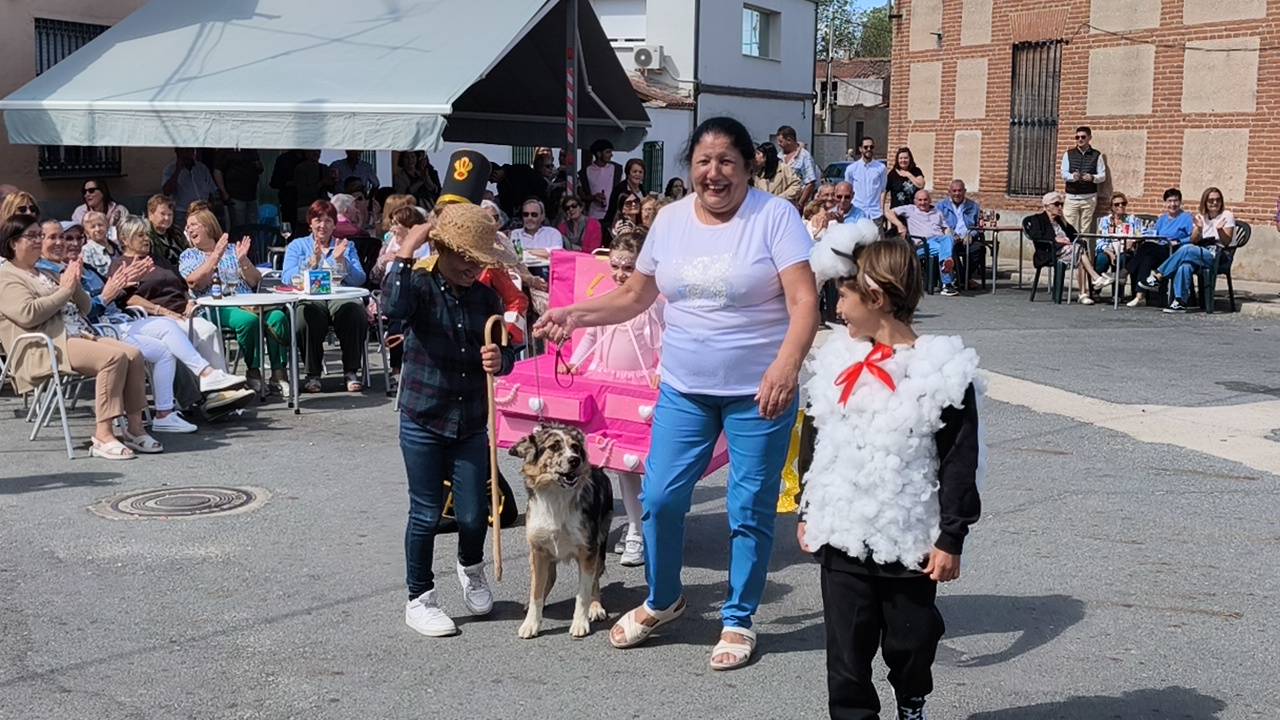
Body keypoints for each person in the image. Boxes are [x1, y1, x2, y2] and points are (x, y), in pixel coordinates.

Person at [534, 116, 819, 671]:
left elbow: (805, 303)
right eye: (703, 163)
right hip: (684, 389)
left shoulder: (775, 217)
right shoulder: (668, 221)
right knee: (661, 499)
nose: (714, 174)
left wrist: (786, 367)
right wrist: (574, 314)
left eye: (727, 162)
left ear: (749, 166)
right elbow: (635, 296)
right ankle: (663, 599)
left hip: (759, 390)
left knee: (749, 507)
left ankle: (738, 618)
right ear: (691, 167)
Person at [803, 223, 982, 720]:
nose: (836, 308)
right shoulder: (836, 358)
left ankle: (911, 697)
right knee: (845, 653)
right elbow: (815, 437)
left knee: (911, 640)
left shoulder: (938, 372)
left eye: (843, 295)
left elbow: (958, 459)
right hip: (843, 532)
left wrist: (951, 537)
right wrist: (808, 508)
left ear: (876, 296)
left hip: (909, 539)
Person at [382, 203, 517, 637]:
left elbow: (507, 351)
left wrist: (502, 358)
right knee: (424, 513)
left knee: (476, 513)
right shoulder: (419, 285)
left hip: (471, 419)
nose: (471, 267)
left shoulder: (485, 297)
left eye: (479, 260)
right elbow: (392, 307)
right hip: (423, 416)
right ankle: (419, 598)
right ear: (442, 249)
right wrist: (407, 248)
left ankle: (470, 568)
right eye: (465, 258)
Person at [0, 214, 162, 459]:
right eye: (32, 236)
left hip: (78, 335)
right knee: (113, 358)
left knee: (133, 354)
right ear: (13, 243)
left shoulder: (45, 271)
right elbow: (27, 315)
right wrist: (65, 290)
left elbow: (85, 309)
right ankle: (103, 435)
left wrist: (74, 282)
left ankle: (135, 428)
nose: (38, 241)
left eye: (38, 236)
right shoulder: (7, 277)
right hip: (46, 344)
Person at [37, 219, 203, 433]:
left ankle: (169, 410)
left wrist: (121, 287)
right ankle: (202, 387)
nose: (72, 243)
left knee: (170, 339)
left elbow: (113, 296)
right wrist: (108, 294)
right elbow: (84, 312)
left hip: (118, 321)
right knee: (167, 330)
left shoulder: (85, 268)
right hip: (96, 331)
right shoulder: (51, 273)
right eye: (64, 238)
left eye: (78, 238)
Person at [566, 227, 663, 567]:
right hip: (603, 382)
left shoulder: (655, 304)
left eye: (629, 268)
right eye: (617, 267)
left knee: (636, 464)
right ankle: (625, 527)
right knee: (612, 463)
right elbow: (591, 338)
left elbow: (668, 342)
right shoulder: (606, 298)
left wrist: (661, 369)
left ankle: (640, 529)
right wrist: (575, 363)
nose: (621, 274)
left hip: (639, 387)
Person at [179, 209, 290, 395]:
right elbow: (194, 283)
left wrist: (244, 260)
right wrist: (215, 256)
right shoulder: (189, 255)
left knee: (278, 316)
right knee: (248, 321)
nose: (189, 230)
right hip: (215, 307)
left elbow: (254, 281)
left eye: (194, 225)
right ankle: (253, 372)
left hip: (248, 301)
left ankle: (279, 374)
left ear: (209, 226)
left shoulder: (232, 249)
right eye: (187, 226)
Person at [282, 199, 369, 392]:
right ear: (310, 223)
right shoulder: (297, 246)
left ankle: (351, 371)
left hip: (339, 295)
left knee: (353, 311)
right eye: (318, 220)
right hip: (311, 297)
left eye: (328, 220)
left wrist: (341, 261)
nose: (323, 225)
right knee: (305, 314)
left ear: (334, 224)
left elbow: (359, 279)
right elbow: (287, 277)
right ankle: (312, 374)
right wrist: (312, 263)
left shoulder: (346, 245)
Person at [1139, 186, 1236, 314]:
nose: (1214, 203)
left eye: (1217, 200)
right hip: (1201, 251)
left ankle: (1158, 276)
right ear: (1205, 202)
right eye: (1211, 200)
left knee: (1186, 249)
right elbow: (1194, 240)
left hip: (1218, 254)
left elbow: (1226, 242)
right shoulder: (1202, 217)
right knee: (1184, 265)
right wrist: (1199, 229)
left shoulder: (1227, 215)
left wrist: (1219, 230)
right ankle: (1180, 302)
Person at [1026, 191, 1110, 305]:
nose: (1060, 207)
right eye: (1056, 204)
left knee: (1080, 253)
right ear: (1046, 206)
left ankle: (1084, 294)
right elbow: (1035, 235)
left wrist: (1065, 221)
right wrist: (1055, 239)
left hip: (1070, 250)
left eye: (1061, 204)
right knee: (1080, 251)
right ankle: (1093, 280)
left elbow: (1074, 234)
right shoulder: (1037, 219)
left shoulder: (1060, 220)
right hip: (1050, 252)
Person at [886, 189, 960, 297]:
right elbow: (887, 211)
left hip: (939, 239)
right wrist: (899, 225)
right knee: (943, 249)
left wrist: (950, 235)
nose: (922, 203)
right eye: (919, 200)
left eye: (925, 200)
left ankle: (946, 264)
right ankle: (947, 283)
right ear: (915, 201)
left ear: (929, 200)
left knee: (947, 239)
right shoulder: (910, 209)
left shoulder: (937, 212)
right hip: (923, 244)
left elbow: (946, 228)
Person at [1128, 188, 1194, 307]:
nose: (1172, 204)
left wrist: (1178, 241)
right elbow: (1155, 234)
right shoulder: (1162, 219)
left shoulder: (1186, 217)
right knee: (1147, 257)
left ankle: (1124, 272)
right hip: (1160, 249)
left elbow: (1193, 237)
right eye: (1169, 201)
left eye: (1176, 201)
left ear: (1180, 202)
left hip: (1174, 252)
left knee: (1147, 247)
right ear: (1165, 203)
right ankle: (1140, 296)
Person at [935, 180, 984, 288]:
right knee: (951, 249)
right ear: (949, 192)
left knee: (979, 249)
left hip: (967, 238)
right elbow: (937, 225)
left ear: (964, 191)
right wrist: (949, 233)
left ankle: (962, 278)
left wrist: (971, 234)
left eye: (960, 190)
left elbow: (978, 226)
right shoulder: (941, 206)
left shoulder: (973, 206)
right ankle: (964, 279)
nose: (957, 193)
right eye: (954, 191)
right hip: (950, 238)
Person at [1060, 126, 1106, 234]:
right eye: (1077, 137)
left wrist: (1092, 178)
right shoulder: (1068, 154)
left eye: (1083, 137)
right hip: (1072, 197)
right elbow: (1063, 173)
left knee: (1085, 229)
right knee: (1070, 228)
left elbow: (1103, 175)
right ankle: (1071, 250)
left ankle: (1083, 250)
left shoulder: (1096, 155)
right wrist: (1072, 177)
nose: (1080, 139)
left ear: (1089, 138)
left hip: (1089, 198)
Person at [1094, 191, 1141, 294]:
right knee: (1102, 259)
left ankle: (1118, 295)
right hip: (1108, 249)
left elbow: (1140, 234)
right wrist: (1110, 253)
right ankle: (1095, 290)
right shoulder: (1104, 221)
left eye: (1123, 203)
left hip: (1126, 250)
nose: (1120, 206)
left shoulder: (1133, 220)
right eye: (1117, 204)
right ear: (1111, 206)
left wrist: (1133, 241)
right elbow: (1100, 241)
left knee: (1122, 258)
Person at [162, 149, 218, 228]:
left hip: (203, 212)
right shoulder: (170, 169)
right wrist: (177, 171)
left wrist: (212, 208)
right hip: (182, 214)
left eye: (190, 151)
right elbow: (166, 192)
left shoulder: (201, 168)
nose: (187, 154)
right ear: (178, 152)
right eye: (184, 151)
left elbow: (212, 190)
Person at [844, 137, 888, 224]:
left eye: (871, 147)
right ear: (860, 149)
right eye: (866, 147)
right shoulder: (851, 169)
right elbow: (847, 191)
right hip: (857, 213)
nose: (869, 149)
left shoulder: (881, 168)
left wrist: (882, 211)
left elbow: (883, 190)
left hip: (875, 213)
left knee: (877, 238)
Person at [217, 149, 264, 229]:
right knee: (239, 228)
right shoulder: (226, 150)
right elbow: (217, 171)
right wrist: (224, 192)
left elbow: (260, 168)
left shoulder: (251, 150)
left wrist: (258, 165)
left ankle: (252, 241)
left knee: (253, 226)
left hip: (252, 195)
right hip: (235, 195)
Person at [580, 139, 624, 221]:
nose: (611, 155)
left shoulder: (617, 169)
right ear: (599, 154)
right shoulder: (585, 172)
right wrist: (593, 197)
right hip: (592, 216)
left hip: (613, 216)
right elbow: (581, 195)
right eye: (608, 152)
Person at [776, 125, 819, 209]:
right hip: (781, 202)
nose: (778, 144)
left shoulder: (804, 156)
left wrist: (800, 204)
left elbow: (810, 183)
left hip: (796, 203)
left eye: (781, 141)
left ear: (789, 140)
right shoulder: (779, 156)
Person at [144, 195, 185, 268]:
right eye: (162, 214)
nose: (167, 218)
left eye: (170, 214)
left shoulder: (177, 233)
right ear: (150, 214)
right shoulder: (145, 236)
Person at [605, 159, 646, 230]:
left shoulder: (643, 190)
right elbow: (613, 211)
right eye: (634, 171)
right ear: (628, 173)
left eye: (640, 172)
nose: (638, 174)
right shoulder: (619, 189)